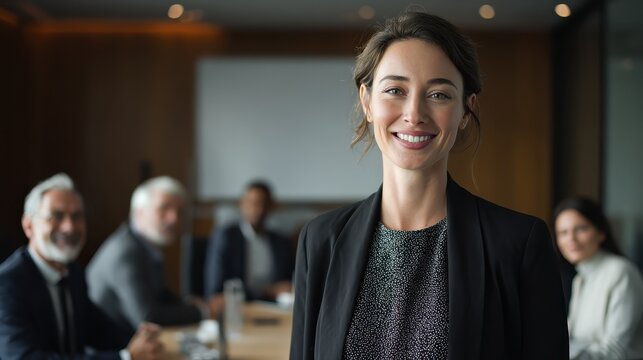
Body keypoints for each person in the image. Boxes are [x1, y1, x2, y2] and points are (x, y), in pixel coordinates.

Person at [289, 11, 568, 359]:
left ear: (466, 110)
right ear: (367, 101)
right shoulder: (321, 242)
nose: (414, 113)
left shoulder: (518, 246)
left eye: (438, 95)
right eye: (394, 90)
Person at [0, 173, 162, 359]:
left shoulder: (74, 272)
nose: (69, 227)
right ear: (28, 225)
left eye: (77, 216)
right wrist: (124, 356)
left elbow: (96, 328)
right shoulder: (7, 285)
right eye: (57, 216)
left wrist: (138, 338)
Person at [87, 176, 203, 333]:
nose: (174, 218)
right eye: (164, 209)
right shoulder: (126, 252)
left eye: (179, 211)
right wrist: (202, 311)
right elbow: (148, 317)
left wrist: (191, 303)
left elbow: (161, 295)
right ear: (139, 212)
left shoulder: (147, 246)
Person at [554, 197, 643, 359]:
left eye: (580, 229)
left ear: (601, 232)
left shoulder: (621, 272)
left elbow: (616, 350)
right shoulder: (580, 279)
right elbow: (569, 338)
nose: (571, 239)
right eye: (563, 232)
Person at [204, 181, 294, 316]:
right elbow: (217, 291)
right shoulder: (226, 237)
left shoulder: (282, 242)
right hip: (238, 312)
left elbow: (288, 284)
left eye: (264, 204)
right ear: (241, 205)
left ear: (272, 206)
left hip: (276, 311)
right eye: (253, 203)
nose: (258, 209)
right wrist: (268, 291)